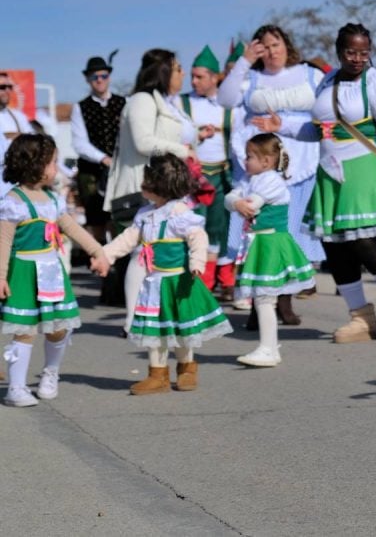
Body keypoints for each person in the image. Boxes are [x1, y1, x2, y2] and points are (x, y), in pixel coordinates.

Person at [274, 23, 376, 345]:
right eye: (351, 52)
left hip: (364, 170)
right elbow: (318, 131)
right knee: (335, 246)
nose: (358, 58)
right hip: (330, 173)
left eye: (364, 52)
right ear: (339, 52)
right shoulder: (328, 82)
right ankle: (360, 317)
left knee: (364, 243)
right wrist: (282, 126)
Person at [93, 154, 232, 394]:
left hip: (178, 281)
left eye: (146, 179)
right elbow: (127, 239)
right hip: (153, 282)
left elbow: (198, 237)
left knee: (181, 330)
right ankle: (157, 375)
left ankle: (187, 368)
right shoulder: (145, 215)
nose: (141, 183)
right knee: (154, 330)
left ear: (159, 184)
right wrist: (106, 255)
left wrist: (197, 261)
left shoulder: (179, 212)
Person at [218, 26, 325, 323]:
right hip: (260, 163)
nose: (271, 51)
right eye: (264, 46)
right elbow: (225, 100)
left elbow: (327, 111)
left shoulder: (309, 74)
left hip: (301, 161)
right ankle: (258, 306)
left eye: (275, 44)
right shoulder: (251, 77)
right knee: (259, 234)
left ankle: (284, 301)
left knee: (287, 234)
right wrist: (244, 61)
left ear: (286, 45)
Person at [1, 134, 105, 406]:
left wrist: (97, 251)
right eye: (53, 162)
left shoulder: (53, 199)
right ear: (34, 164)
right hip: (23, 271)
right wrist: (0, 276)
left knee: (58, 328)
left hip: (50, 273)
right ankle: (16, 388)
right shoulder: (13, 201)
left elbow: (72, 228)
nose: (56, 168)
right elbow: (3, 241)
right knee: (24, 330)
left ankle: (50, 372)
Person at [102, 49, 196, 330]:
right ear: (164, 71)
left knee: (156, 253)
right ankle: (132, 318)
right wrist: (183, 150)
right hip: (139, 188)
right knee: (140, 254)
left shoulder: (167, 102)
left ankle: (153, 312)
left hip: (164, 188)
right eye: (178, 68)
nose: (183, 74)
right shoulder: (143, 100)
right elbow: (143, 142)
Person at [225, 134, 317, 367]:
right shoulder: (251, 179)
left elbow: (251, 205)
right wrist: (235, 201)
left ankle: (268, 348)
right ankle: (269, 347)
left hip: (271, 243)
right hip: (259, 243)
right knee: (262, 297)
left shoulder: (271, 181)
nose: (245, 161)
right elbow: (232, 198)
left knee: (265, 297)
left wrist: (238, 202)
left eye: (249, 156)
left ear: (266, 161)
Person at [181, 46, 239, 292]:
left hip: (222, 173)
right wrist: (196, 135)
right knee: (193, 227)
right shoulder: (182, 103)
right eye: (192, 76)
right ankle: (199, 280)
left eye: (200, 76)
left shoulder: (230, 104)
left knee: (221, 227)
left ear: (215, 77)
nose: (194, 81)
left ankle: (222, 278)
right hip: (193, 176)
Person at [70, 53, 125, 246]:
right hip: (92, 172)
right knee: (97, 221)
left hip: (120, 170)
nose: (99, 80)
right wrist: (103, 158)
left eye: (103, 76)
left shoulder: (123, 103)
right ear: (88, 79)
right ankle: (102, 265)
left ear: (109, 77)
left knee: (118, 218)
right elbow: (79, 143)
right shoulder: (80, 107)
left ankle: (120, 265)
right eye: (94, 77)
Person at [0, 72, 35, 165]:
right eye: (2, 87)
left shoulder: (18, 116)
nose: (7, 91)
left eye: (9, 87)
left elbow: (31, 139)